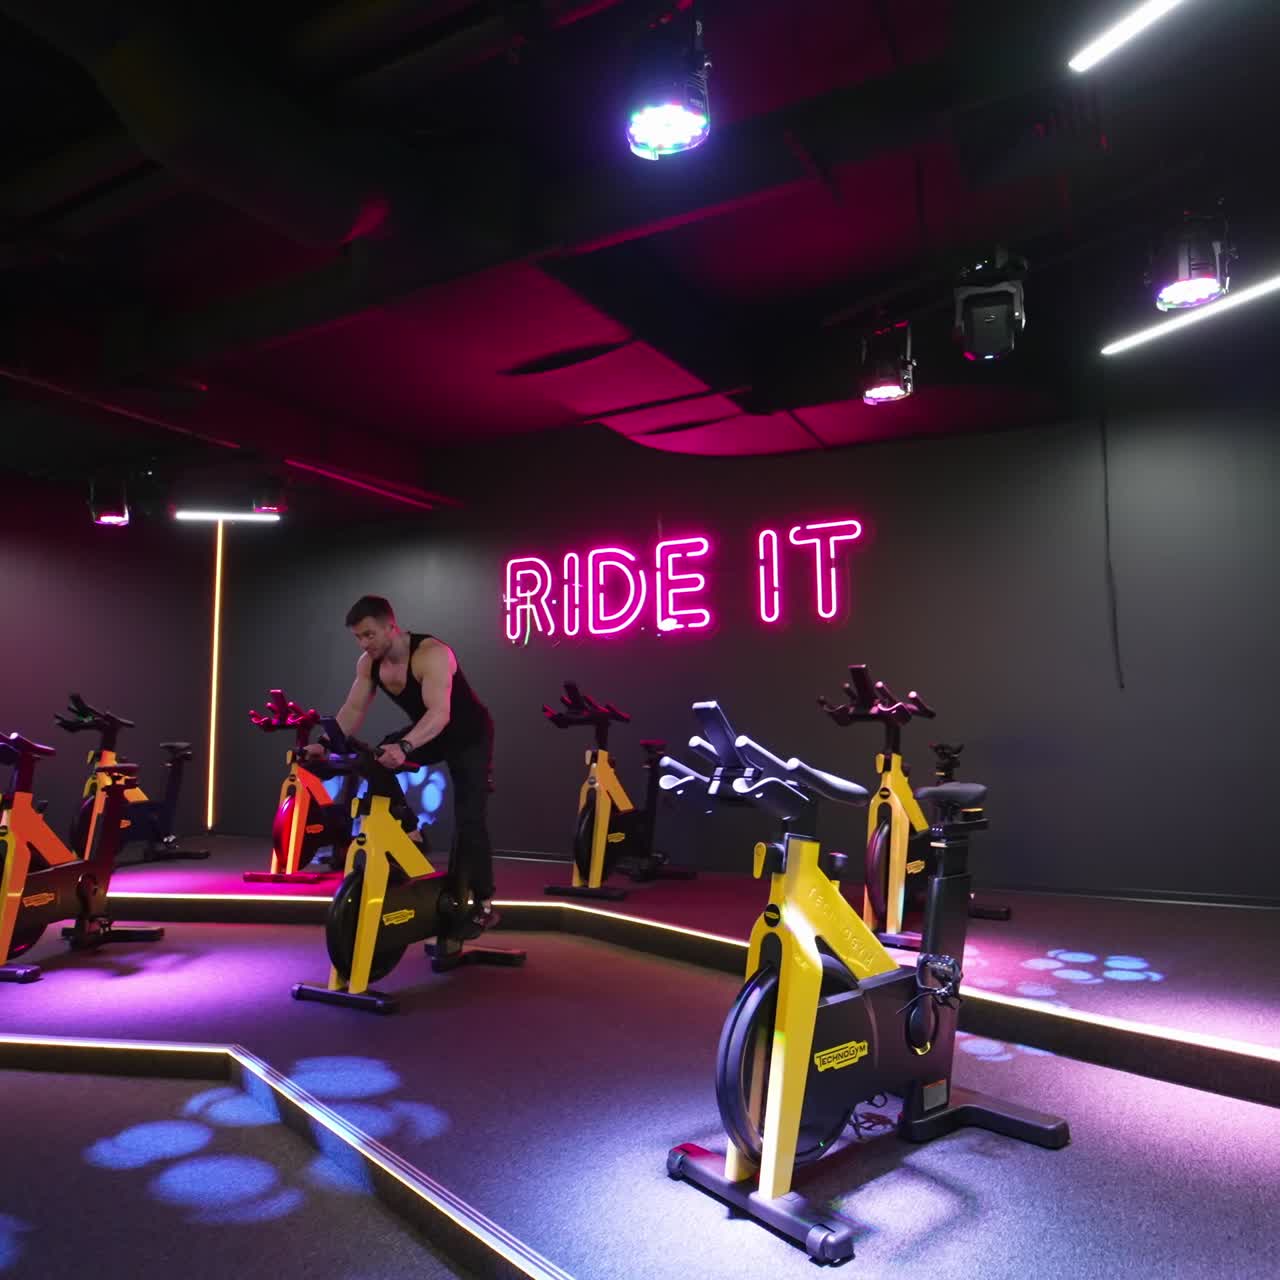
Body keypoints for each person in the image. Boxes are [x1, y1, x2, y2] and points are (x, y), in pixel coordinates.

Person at [324, 595, 499, 931]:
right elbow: (354, 710)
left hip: (468, 735)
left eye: (369, 634)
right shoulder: (368, 664)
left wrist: (404, 747)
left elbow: (440, 714)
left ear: (391, 626)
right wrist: (325, 743)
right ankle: (411, 831)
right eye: (358, 637)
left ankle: (484, 901)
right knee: (374, 760)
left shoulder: (431, 654)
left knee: (469, 818)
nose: (364, 643)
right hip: (429, 732)